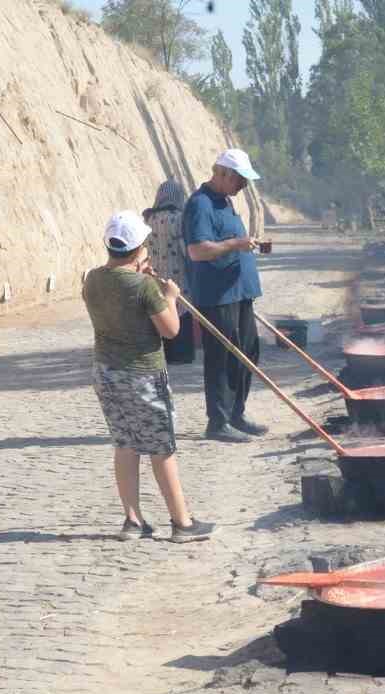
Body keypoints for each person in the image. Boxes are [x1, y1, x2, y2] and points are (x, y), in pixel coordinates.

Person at [82, 212, 216, 544]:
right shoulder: (144, 287)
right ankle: (182, 523)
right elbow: (171, 330)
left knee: (125, 444)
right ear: (140, 248)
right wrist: (168, 296)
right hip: (143, 375)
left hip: (106, 372)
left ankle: (132, 520)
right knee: (161, 447)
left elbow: (116, 295)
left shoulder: (92, 279)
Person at [184, 148, 268, 442]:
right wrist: (235, 244)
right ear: (223, 174)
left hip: (239, 292)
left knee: (247, 351)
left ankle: (236, 413)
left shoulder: (225, 202)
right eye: (240, 181)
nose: (242, 187)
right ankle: (217, 421)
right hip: (217, 294)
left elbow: (230, 242)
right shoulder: (200, 204)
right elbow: (197, 250)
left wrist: (245, 244)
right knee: (221, 357)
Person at [144, 179, 194, 365]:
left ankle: (163, 354)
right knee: (181, 311)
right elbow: (184, 248)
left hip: (155, 276)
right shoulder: (179, 218)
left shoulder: (149, 219)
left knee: (161, 311)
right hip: (178, 276)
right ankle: (181, 355)